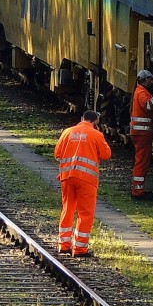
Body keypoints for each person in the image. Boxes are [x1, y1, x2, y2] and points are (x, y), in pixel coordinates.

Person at [54, 109, 112, 257]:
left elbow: (57, 154)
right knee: (85, 213)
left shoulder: (67, 132)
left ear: (82, 118)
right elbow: (107, 155)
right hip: (86, 180)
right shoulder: (96, 134)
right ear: (95, 122)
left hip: (67, 177)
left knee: (68, 209)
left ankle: (64, 245)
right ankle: (80, 249)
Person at [130, 69, 153, 201]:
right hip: (142, 133)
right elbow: (149, 106)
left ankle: (138, 189)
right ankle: (137, 192)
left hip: (142, 133)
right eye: (150, 79)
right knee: (142, 162)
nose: (152, 81)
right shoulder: (141, 92)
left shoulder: (140, 91)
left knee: (143, 161)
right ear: (144, 80)